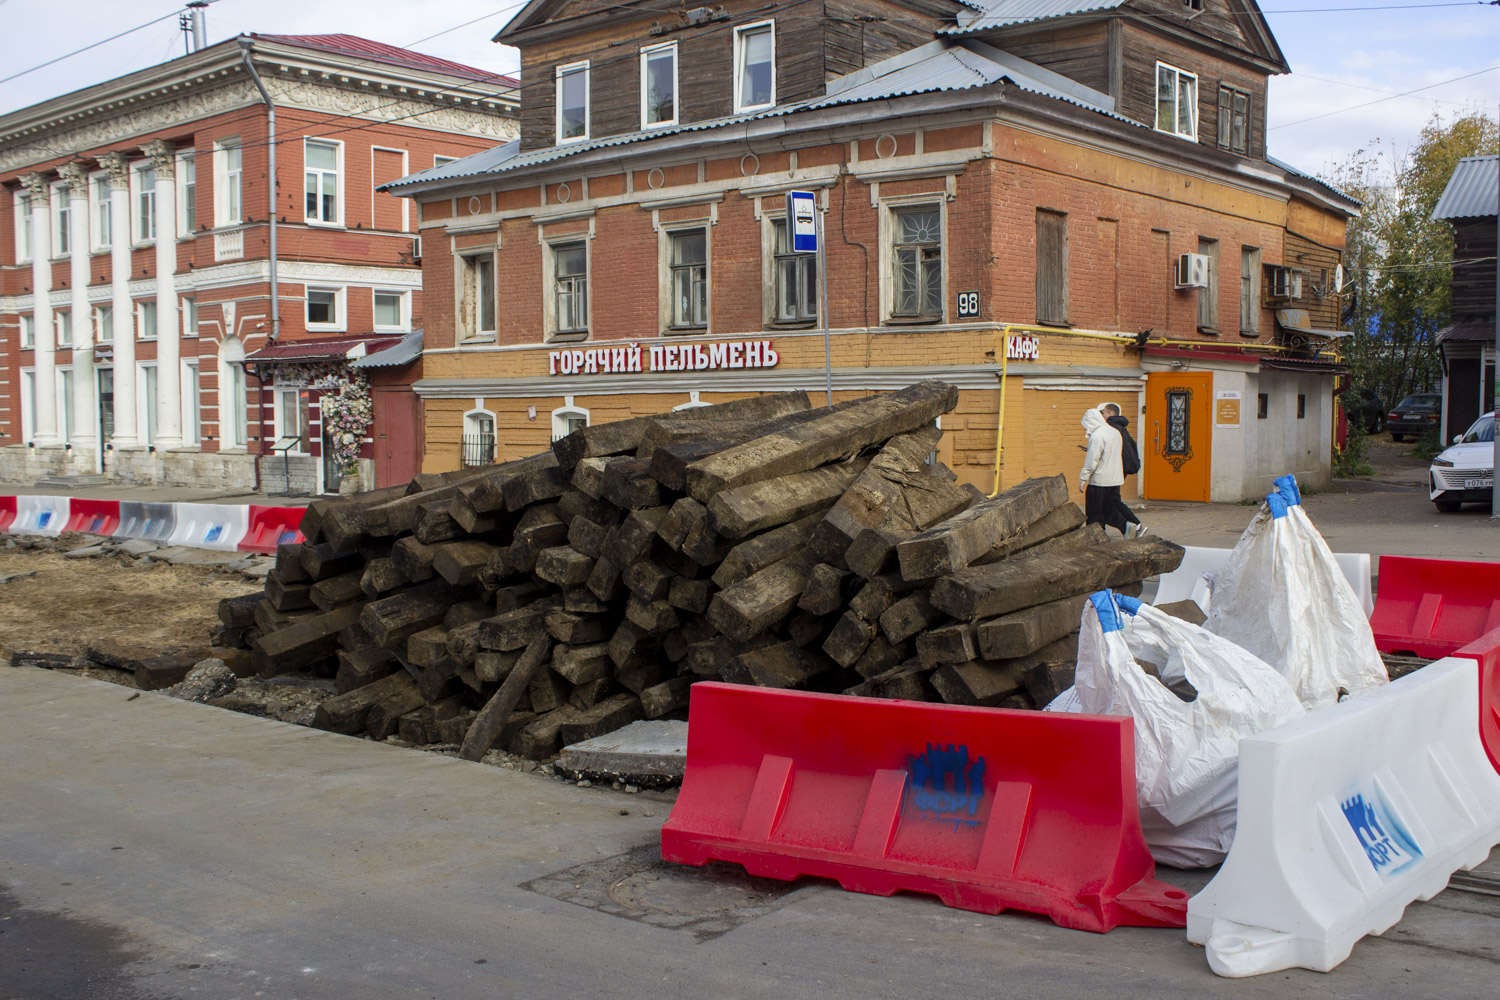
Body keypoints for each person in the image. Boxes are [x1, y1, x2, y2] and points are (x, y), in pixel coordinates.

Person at [1079, 405, 1148, 539]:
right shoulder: (1114, 432)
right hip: (1115, 479)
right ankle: (1127, 527)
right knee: (1108, 508)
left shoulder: (1097, 435)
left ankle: (1100, 536)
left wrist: (1083, 479)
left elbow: (1092, 461)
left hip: (1100, 480)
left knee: (1094, 512)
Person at [1101, 403, 1147, 539]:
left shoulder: (1112, 428)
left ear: (1109, 414)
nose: (1102, 416)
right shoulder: (1121, 427)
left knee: (1111, 501)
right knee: (1112, 500)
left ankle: (1135, 526)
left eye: (1103, 413)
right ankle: (1133, 527)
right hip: (1121, 467)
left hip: (1116, 468)